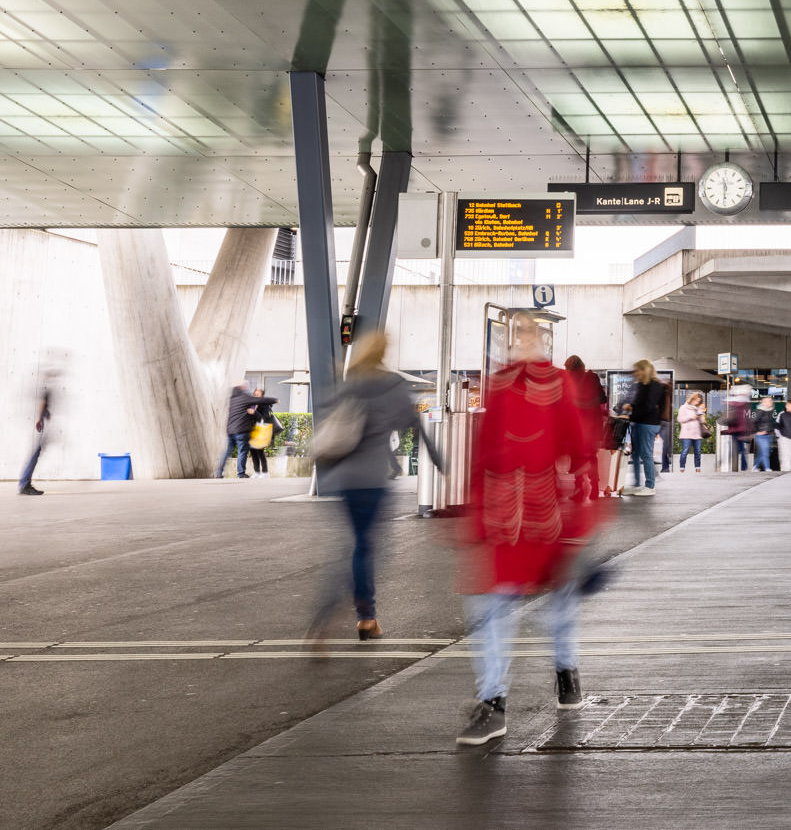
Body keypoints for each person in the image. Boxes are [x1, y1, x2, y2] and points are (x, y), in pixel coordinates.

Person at [456, 312, 601, 746]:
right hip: (508, 514)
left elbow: (576, 448)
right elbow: (484, 453)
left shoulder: (556, 383)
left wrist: (579, 500)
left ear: (541, 341)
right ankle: (495, 701)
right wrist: (475, 512)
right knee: (492, 607)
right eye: (516, 333)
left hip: (545, 510)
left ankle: (563, 671)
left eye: (527, 333)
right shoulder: (500, 385)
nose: (522, 341)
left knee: (556, 601)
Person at [309, 330, 438, 647]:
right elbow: (415, 425)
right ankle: (360, 615)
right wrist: (438, 459)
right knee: (366, 549)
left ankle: (361, 616)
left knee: (355, 547)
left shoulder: (351, 381)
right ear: (384, 352)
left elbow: (330, 422)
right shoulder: (392, 384)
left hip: (345, 481)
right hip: (372, 481)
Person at [562, 357, 616, 499]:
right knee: (591, 457)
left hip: (574, 425)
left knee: (576, 457)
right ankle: (594, 489)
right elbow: (603, 399)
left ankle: (579, 489)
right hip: (591, 425)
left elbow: (564, 402)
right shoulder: (592, 377)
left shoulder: (567, 380)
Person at [624, 360, 667, 496]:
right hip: (639, 422)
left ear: (645, 370)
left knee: (646, 454)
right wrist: (631, 408)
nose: (635, 373)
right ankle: (639, 485)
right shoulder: (643, 385)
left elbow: (648, 406)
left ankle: (650, 486)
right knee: (636, 454)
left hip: (648, 424)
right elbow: (640, 405)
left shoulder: (654, 386)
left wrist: (632, 412)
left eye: (638, 370)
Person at [18, 366, 55, 495]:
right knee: (34, 453)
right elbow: (42, 403)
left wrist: (46, 414)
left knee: (35, 452)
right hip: (39, 423)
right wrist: (40, 418)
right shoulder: (45, 389)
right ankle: (24, 484)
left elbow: (43, 404)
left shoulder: (42, 388)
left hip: (40, 421)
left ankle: (24, 483)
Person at [216, 382, 254, 478]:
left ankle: (218, 472)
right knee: (242, 451)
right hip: (241, 430)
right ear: (242, 388)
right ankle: (241, 473)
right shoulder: (245, 397)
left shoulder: (232, 399)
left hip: (230, 430)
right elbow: (253, 408)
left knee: (227, 452)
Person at [246, 388, 283, 476]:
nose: (256, 396)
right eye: (255, 394)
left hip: (260, 431)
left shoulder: (265, 405)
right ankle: (257, 472)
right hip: (251, 430)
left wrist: (255, 412)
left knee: (260, 452)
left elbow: (264, 418)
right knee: (253, 452)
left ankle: (265, 472)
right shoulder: (251, 404)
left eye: (258, 395)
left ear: (262, 396)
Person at [676, 392, 706, 472]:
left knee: (698, 452)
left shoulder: (698, 408)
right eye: (696, 400)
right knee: (685, 451)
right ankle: (682, 469)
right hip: (686, 434)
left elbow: (702, 421)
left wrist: (701, 413)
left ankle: (698, 469)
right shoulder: (683, 407)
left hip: (697, 433)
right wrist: (691, 417)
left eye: (699, 401)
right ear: (692, 399)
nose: (697, 402)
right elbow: (680, 419)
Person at [752, 398, 777, 471]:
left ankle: (755, 467)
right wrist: (757, 431)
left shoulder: (769, 411)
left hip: (769, 435)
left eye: (771, 401)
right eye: (769, 401)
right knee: (765, 452)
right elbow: (753, 421)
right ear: (764, 403)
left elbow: (769, 423)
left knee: (761, 453)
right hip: (761, 436)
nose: (771, 402)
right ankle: (767, 468)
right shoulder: (760, 411)